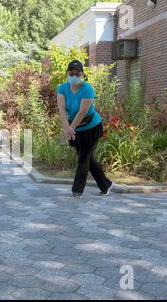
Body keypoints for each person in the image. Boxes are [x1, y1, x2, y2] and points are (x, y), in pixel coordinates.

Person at [57, 60, 113, 198]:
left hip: (91, 127)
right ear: (67, 74)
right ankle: (105, 184)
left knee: (83, 157)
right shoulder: (62, 88)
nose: (74, 76)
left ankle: (77, 190)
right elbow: (62, 108)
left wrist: (71, 129)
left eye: (77, 73)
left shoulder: (87, 89)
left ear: (82, 74)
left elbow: (82, 112)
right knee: (88, 158)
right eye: (71, 73)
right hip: (75, 129)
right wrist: (67, 128)